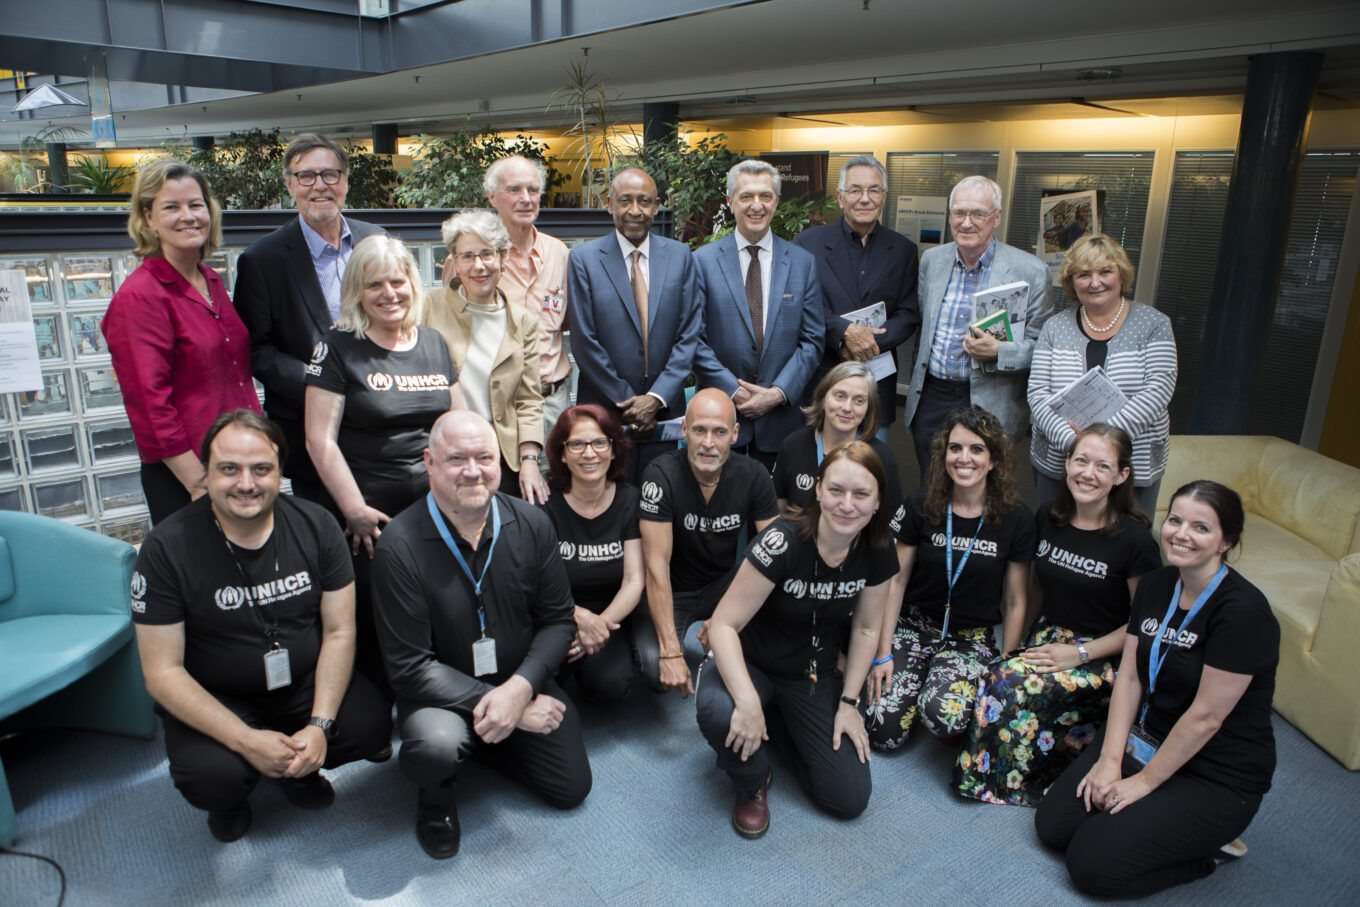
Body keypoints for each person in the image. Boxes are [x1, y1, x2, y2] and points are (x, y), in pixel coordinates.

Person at [130, 410, 391, 842]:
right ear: (207, 473)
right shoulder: (165, 548)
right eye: (229, 469)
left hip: (300, 684)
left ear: (280, 472)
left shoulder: (318, 526)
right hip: (218, 693)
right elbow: (162, 673)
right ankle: (231, 800)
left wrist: (319, 725)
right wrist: (244, 740)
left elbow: (340, 632)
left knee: (369, 726)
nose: (246, 483)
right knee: (213, 778)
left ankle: (299, 768)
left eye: (261, 469)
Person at [1035, 481, 1279, 897]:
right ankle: (1144, 819)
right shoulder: (1157, 585)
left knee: (1091, 866)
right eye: (1175, 520)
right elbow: (1130, 677)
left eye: (1201, 527)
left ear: (1227, 541)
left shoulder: (1244, 613)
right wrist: (1111, 760)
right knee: (1054, 828)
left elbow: (1206, 719)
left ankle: (1209, 853)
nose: (1181, 534)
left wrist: (1144, 783)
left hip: (1214, 770)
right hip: (1147, 736)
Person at [372, 411, 591, 860]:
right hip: (439, 697)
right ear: (429, 462)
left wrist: (519, 690)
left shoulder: (532, 523)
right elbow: (410, 668)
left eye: (485, 458)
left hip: (520, 678)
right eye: (457, 459)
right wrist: (508, 706)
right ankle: (436, 799)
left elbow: (558, 621)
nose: (473, 471)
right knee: (436, 746)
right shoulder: (398, 545)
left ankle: (488, 740)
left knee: (571, 789)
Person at [696, 441, 898, 838]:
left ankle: (774, 723)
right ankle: (752, 781)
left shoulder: (878, 548)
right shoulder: (782, 541)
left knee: (848, 798)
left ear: (877, 502)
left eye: (861, 494)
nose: (847, 505)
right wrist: (747, 700)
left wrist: (849, 703)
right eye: (836, 490)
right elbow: (722, 625)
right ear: (818, 489)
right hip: (751, 663)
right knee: (721, 713)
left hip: (810, 673)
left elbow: (865, 629)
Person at [955, 424, 1160, 806]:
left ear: (1122, 476)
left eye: (1102, 466)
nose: (1088, 473)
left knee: (1008, 687)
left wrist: (1080, 653)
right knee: (996, 676)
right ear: (1066, 463)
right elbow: (1036, 588)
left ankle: (1021, 784)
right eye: (1081, 461)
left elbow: (1144, 625)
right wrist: (1013, 648)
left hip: (1103, 653)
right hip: (1049, 635)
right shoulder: (1049, 515)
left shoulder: (1135, 541)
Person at [304, 234, 462, 693]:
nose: (389, 293)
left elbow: (458, 423)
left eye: (397, 282)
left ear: (413, 284)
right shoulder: (337, 347)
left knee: (436, 603)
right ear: (357, 291)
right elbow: (319, 440)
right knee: (375, 612)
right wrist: (353, 509)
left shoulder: (433, 343)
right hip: (370, 516)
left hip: (435, 509)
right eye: (375, 285)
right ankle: (375, 702)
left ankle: (437, 692)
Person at [864, 404, 1036, 750]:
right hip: (915, 627)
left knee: (944, 717)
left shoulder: (1016, 519)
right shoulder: (921, 504)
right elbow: (896, 582)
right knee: (884, 733)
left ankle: (935, 693)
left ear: (993, 460)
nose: (964, 458)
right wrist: (882, 653)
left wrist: (1003, 670)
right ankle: (919, 687)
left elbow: (1016, 601)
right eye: (955, 448)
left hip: (969, 640)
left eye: (977, 449)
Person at [101, 158, 261, 524]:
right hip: (189, 476)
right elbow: (148, 404)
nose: (188, 216)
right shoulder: (140, 297)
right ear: (149, 218)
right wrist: (198, 482)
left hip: (238, 462)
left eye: (195, 205)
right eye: (171, 207)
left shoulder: (210, 280)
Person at [236, 134, 384, 501]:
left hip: (382, 427)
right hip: (312, 433)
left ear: (345, 180)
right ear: (290, 185)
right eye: (306, 176)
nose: (320, 185)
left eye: (330, 174)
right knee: (323, 529)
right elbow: (257, 350)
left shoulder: (376, 240)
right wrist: (323, 385)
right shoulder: (262, 260)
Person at [901, 175, 1053, 482]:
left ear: (996, 217)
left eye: (978, 214)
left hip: (990, 399)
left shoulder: (1030, 271)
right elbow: (924, 331)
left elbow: (1044, 348)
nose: (966, 222)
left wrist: (1000, 351)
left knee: (981, 487)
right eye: (959, 212)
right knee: (930, 482)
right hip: (932, 395)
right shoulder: (932, 260)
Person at [639, 389, 780, 698]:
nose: (708, 442)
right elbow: (656, 566)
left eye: (719, 432)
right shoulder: (660, 474)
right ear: (684, 429)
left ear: (735, 434)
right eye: (699, 430)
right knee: (655, 673)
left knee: (769, 579)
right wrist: (671, 651)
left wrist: (724, 618)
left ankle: (726, 639)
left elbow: (776, 556)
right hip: (674, 590)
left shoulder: (754, 474)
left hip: (724, 587)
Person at [567, 167, 702, 484]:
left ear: (657, 206)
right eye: (625, 200)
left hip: (664, 415)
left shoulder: (681, 256)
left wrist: (655, 398)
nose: (635, 210)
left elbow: (689, 334)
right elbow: (584, 342)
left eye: (644, 201)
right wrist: (629, 401)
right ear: (609, 204)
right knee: (609, 500)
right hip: (605, 413)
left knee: (661, 498)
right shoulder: (584, 259)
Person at [1028, 234, 1177, 516]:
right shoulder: (1054, 327)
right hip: (1060, 460)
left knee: (1125, 538)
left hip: (1132, 463)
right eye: (1084, 274)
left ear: (1121, 274)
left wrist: (1104, 441)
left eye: (1105, 271)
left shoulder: (1154, 325)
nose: (1095, 282)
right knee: (1055, 536)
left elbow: (1159, 389)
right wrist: (1074, 443)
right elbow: (1038, 393)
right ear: (1072, 281)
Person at [693, 160, 825, 470]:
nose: (757, 205)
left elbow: (812, 340)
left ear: (776, 201)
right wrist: (734, 391)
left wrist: (778, 393)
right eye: (746, 196)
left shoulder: (803, 263)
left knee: (775, 501)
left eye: (765, 196)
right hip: (720, 418)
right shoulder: (702, 261)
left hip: (781, 420)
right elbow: (693, 339)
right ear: (730, 201)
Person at [793, 155, 921, 435]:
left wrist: (868, 343)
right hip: (823, 376)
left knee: (871, 460)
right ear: (840, 198)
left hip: (876, 383)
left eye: (874, 190)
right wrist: (843, 333)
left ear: (884, 197)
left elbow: (909, 313)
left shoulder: (904, 250)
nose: (865, 199)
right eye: (855, 190)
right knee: (818, 459)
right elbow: (800, 304)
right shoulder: (807, 244)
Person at [426, 210, 548, 503]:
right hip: (444, 454)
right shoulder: (426, 308)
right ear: (454, 262)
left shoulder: (523, 322)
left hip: (500, 457)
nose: (478, 266)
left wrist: (529, 461)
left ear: (503, 258)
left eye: (486, 254)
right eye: (467, 256)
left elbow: (529, 399)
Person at [541, 404, 645, 702]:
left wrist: (598, 627)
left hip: (611, 614)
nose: (589, 453)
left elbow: (634, 580)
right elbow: (536, 584)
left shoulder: (630, 500)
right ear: (562, 454)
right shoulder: (545, 503)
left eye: (600, 442)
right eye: (577, 444)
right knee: (542, 677)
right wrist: (579, 617)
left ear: (613, 450)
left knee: (610, 685)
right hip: (558, 613)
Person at [477, 155, 573, 429]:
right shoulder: (476, 257)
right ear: (492, 196)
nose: (526, 198)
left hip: (551, 401)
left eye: (532, 189)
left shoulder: (558, 252)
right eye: (514, 190)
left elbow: (566, 322)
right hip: (495, 403)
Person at [772, 360, 903, 515]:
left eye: (859, 400)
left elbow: (893, 521)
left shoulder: (882, 457)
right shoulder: (794, 445)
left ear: (868, 408)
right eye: (840, 396)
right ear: (822, 400)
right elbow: (776, 511)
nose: (847, 407)